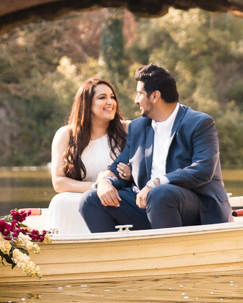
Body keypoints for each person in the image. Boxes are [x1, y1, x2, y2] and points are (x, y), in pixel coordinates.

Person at [79, 63, 232, 232]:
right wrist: (105, 182)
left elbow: (203, 170)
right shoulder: (138, 127)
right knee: (91, 200)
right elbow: (118, 167)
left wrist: (155, 183)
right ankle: (118, 256)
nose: (136, 100)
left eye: (139, 94)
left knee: (160, 194)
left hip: (194, 207)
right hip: (148, 204)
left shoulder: (199, 123)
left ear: (154, 96)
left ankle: (169, 256)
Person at [44, 78, 128, 236]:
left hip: (116, 198)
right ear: (86, 104)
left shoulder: (127, 129)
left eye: (112, 97)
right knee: (60, 201)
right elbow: (59, 182)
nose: (110, 102)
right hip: (83, 194)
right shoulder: (66, 134)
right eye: (102, 98)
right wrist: (97, 187)